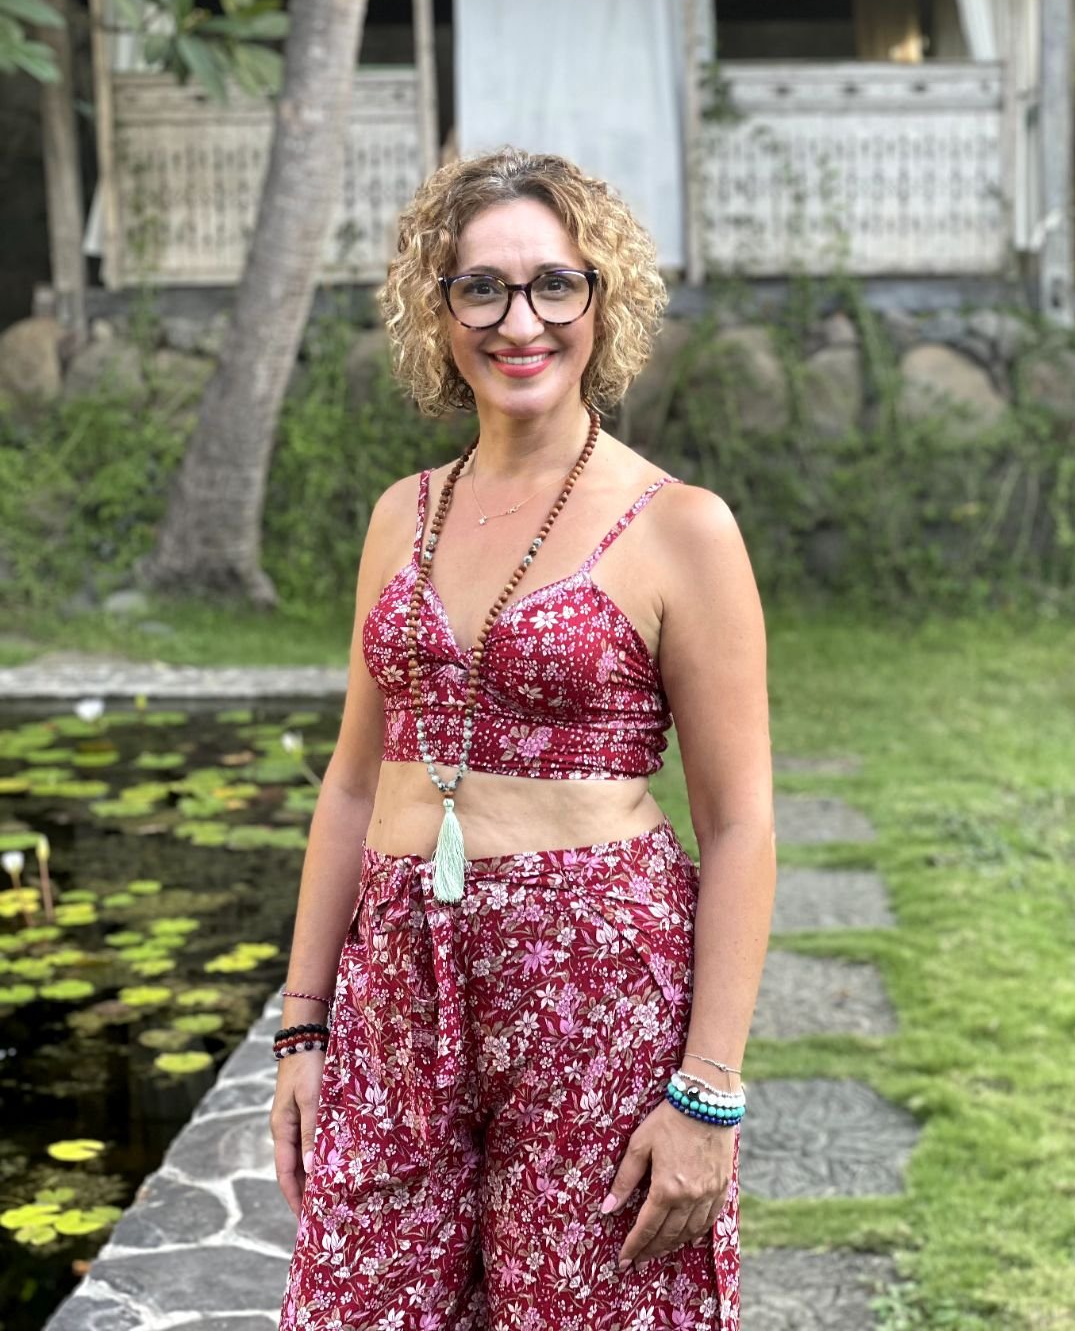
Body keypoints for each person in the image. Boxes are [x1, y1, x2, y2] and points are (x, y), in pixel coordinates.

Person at [272, 147, 775, 1330]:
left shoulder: (682, 529)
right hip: (398, 986)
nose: (520, 320)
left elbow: (742, 821)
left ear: (602, 299)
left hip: (594, 987)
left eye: (555, 284)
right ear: (436, 309)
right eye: (481, 287)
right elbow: (353, 784)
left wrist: (708, 1093)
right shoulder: (404, 512)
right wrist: (303, 1026)